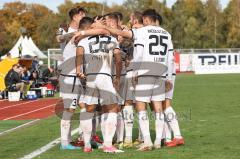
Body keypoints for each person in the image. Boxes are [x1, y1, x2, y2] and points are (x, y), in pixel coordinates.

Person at [76, 17, 124, 153]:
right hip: (104, 77)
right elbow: (118, 60)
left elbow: (78, 56)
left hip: (90, 77)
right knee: (113, 108)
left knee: (88, 109)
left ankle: (86, 145)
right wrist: (118, 78)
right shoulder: (112, 40)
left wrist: (79, 71)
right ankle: (108, 144)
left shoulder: (84, 41)